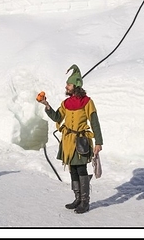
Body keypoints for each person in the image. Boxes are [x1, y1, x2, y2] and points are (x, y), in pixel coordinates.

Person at [37, 64, 103, 214]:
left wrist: (98, 142)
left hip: (81, 140)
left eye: (68, 84)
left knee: (81, 169)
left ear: (76, 86)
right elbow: (58, 117)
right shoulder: (66, 103)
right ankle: (77, 198)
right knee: (72, 168)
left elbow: (94, 122)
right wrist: (46, 105)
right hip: (68, 141)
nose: (66, 86)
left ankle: (85, 202)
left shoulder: (87, 102)